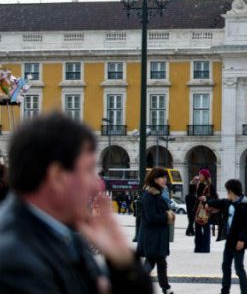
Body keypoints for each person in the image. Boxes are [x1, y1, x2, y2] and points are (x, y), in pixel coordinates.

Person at [0, 112, 152, 293]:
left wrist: (124, 265)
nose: (97, 185)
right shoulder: (16, 264)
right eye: (88, 170)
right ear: (57, 177)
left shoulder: (64, 235)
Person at [205, 179, 247, 294]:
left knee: (239, 268)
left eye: (227, 192)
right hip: (230, 240)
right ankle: (225, 291)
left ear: (231, 191)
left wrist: (241, 240)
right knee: (225, 267)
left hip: (239, 241)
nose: (227, 194)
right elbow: (218, 202)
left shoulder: (245, 204)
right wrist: (208, 203)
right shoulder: (229, 202)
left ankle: (245, 292)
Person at [138, 167, 175, 294]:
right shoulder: (149, 195)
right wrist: (167, 216)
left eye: (165, 177)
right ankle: (165, 287)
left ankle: (165, 287)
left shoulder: (158, 193)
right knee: (154, 262)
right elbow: (151, 217)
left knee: (157, 262)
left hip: (158, 236)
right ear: (154, 179)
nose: (165, 179)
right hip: (152, 236)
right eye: (161, 177)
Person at [194, 168, 217, 253]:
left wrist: (206, 198)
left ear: (205, 176)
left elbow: (214, 197)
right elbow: (193, 194)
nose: (199, 176)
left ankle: (206, 248)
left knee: (206, 229)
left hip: (206, 209)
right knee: (197, 229)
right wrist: (193, 183)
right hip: (198, 209)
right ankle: (198, 247)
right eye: (199, 174)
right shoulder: (198, 184)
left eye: (201, 175)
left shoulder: (210, 186)